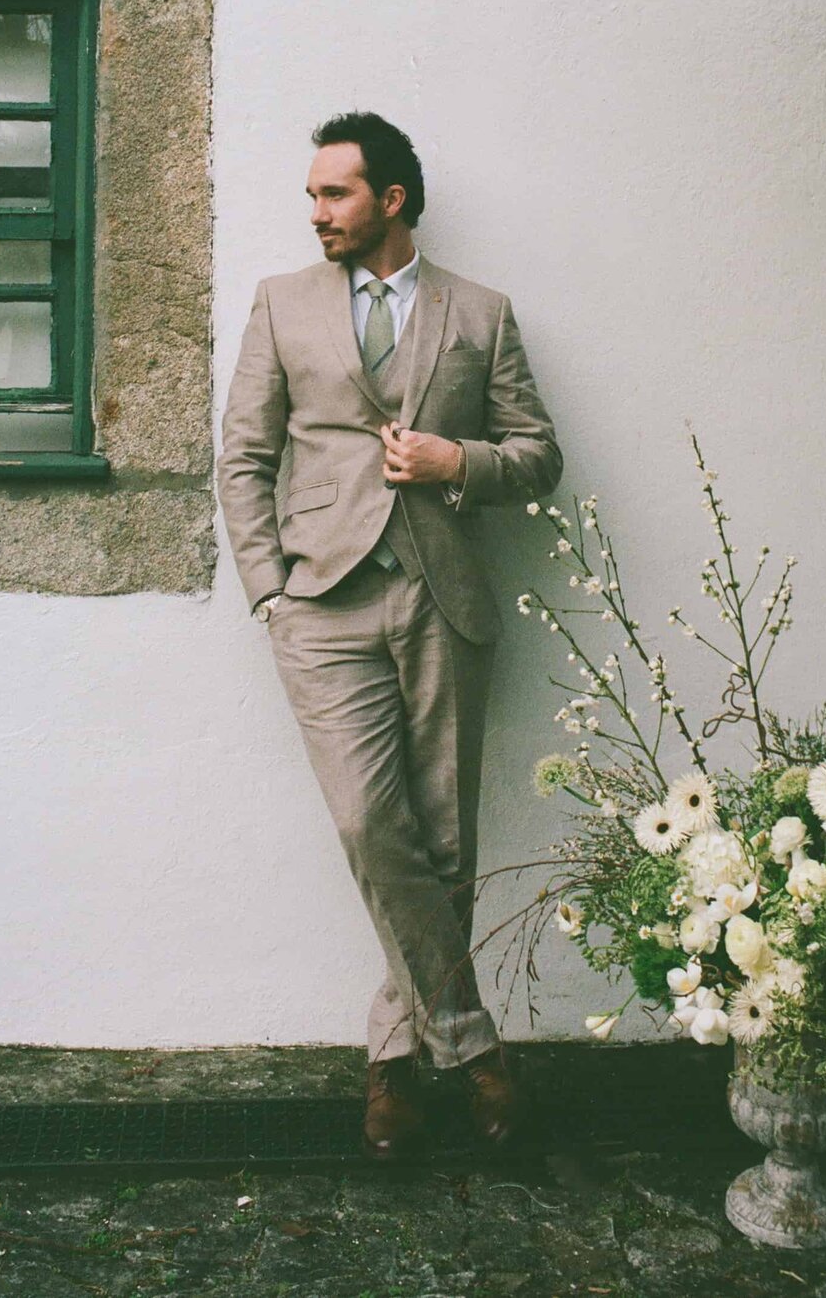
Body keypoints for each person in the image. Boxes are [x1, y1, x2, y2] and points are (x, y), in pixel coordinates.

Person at [216, 111, 562, 1161]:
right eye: (314, 195)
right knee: (374, 822)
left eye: (334, 194)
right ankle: (471, 1041)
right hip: (322, 602)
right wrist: (271, 592)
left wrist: (458, 462)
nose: (314, 211)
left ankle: (393, 1063)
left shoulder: (482, 313)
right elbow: (243, 457)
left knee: (445, 842)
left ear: (391, 200)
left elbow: (538, 456)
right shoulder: (282, 305)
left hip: (442, 598)